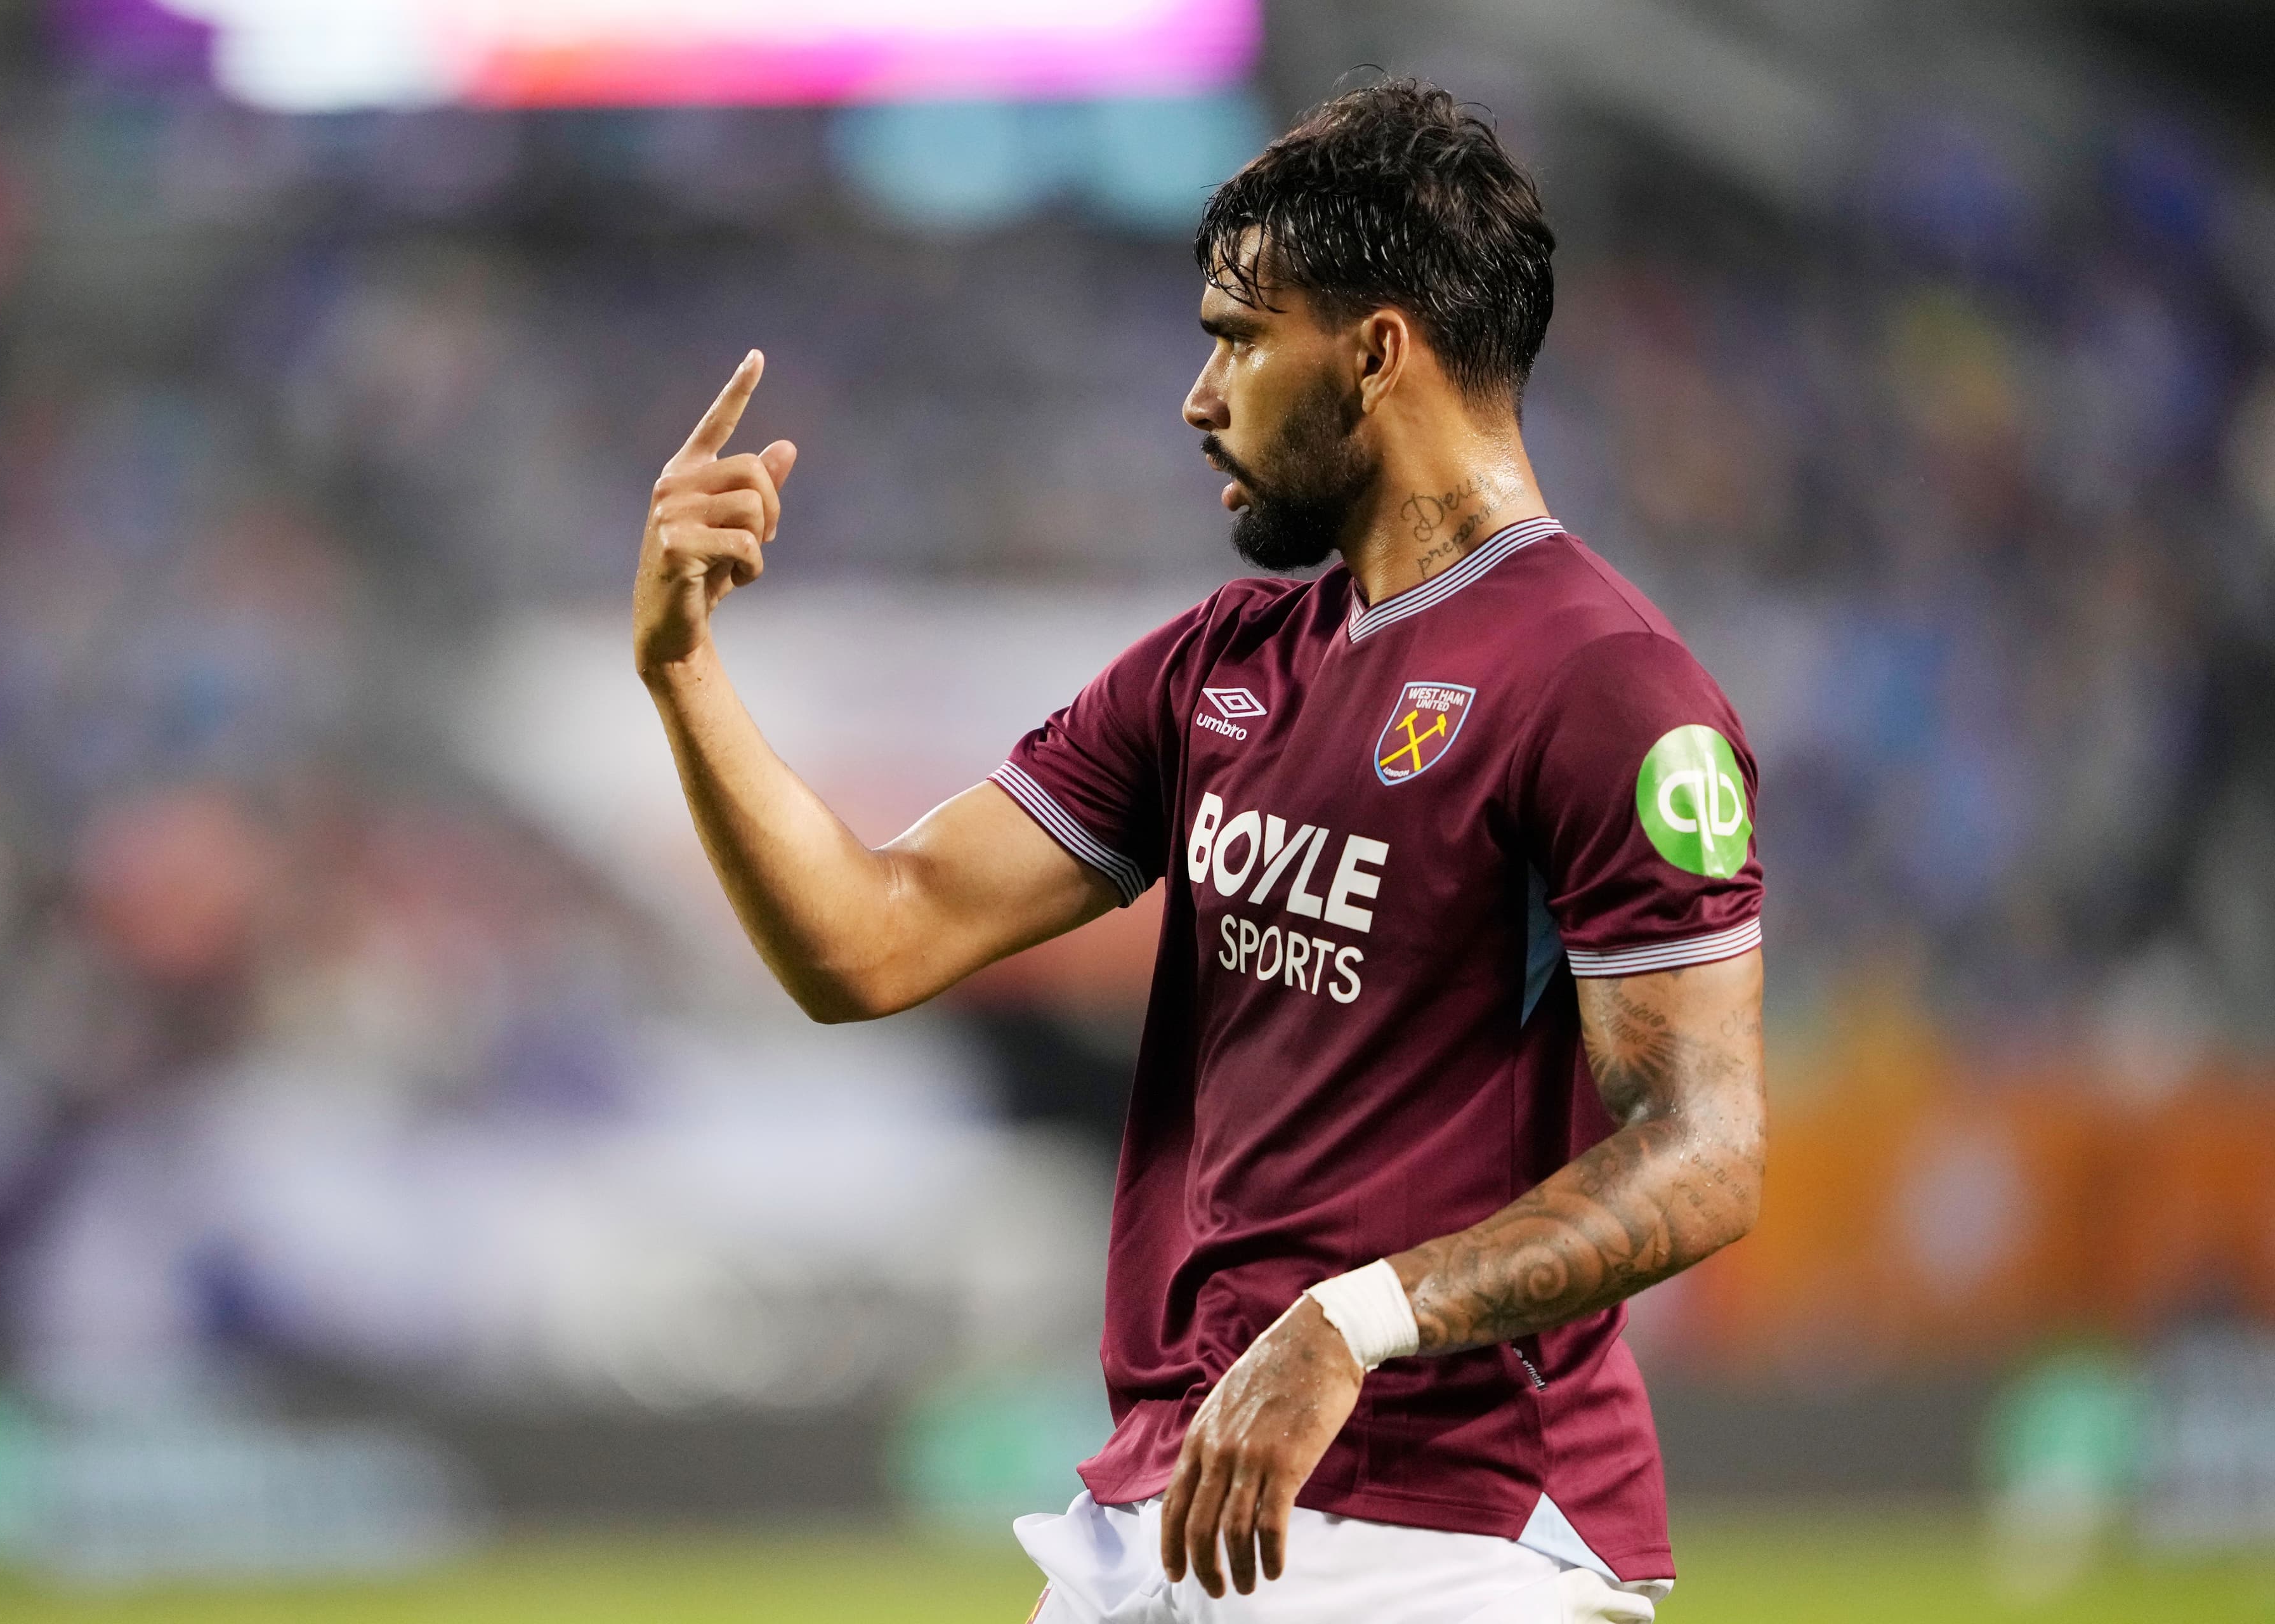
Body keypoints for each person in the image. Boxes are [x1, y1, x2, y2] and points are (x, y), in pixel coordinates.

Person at [631, 79, 1765, 1624]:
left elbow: (1707, 1149)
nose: (1197, 393)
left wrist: (1349, 1322)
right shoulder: (1217, 667)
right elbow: (871, 936)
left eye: (1240, 336)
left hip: (1459, 1532)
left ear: (1373, 354)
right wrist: (685, 670)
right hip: (1172, 1499)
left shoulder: (1606, 685)